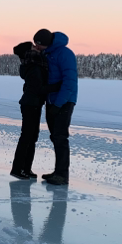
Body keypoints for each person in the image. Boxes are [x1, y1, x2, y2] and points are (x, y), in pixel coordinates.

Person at [34, 29, 78, 186]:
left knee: (60, 138)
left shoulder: (64, 54)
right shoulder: (47, 53)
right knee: (55, 137)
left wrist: (59, 103)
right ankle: (57, 171)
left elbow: (69, 82)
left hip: (64, 101)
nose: (36, 47)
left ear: (46, 43)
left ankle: (62, 175)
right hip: (52, 101)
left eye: (38, 45)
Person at [10, 40, 52, 179]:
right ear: (29, 51)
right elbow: (38, 88)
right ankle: (18, 169)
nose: (36, 47)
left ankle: (26, 168)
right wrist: (57, 86)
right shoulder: (34, 66)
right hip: (31, 104)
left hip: (33, 103)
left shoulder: (32, 63)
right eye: (33, 47)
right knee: (27, 136)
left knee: (31, 136)